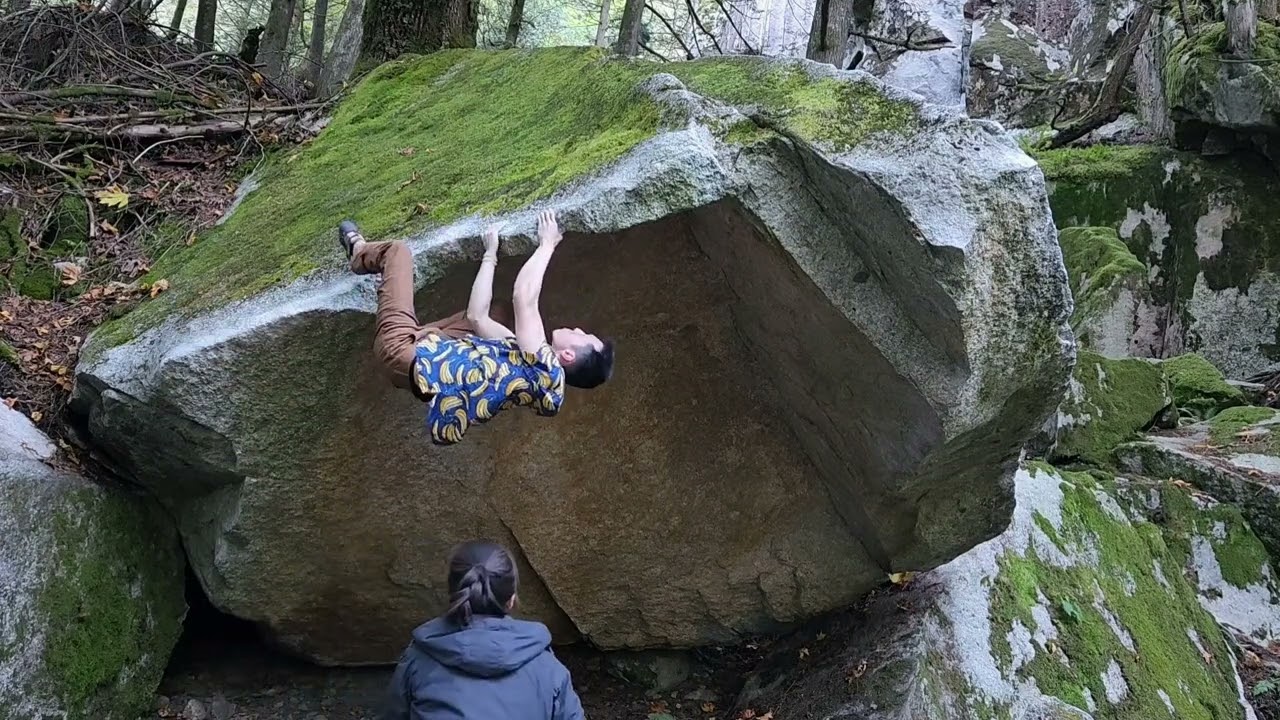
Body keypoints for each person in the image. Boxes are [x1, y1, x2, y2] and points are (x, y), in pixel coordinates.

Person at [338, 210, 614, 445]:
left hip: (401, 351)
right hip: (427, 350)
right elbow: (477, 316)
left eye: (584, 336)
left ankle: (358, 252)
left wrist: (547, 245)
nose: (579, 329)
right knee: (494, 314)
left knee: (396, 252)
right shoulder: (527, 366)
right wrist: (490, 255)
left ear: (568, 356)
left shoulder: (546, 368)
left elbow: (524, 297)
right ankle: (390, 289)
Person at [382, 540, 587, 720]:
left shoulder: (418, 659)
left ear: (454, 593)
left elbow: (394, 714)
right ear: (511, 599)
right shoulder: (547, 668)